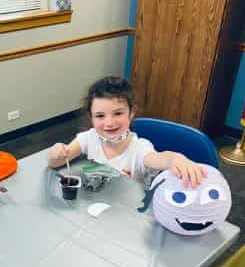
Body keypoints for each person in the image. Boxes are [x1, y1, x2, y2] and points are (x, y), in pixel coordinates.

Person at [48, 76, 207, 188]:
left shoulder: (139, 148)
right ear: (91, 117)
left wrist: (175, 158)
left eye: (118, 113)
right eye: (100, 116)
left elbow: (158, 159)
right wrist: (56, 153)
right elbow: (56, 162)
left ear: (131, 113)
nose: (109, 123)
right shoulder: (89, 138)